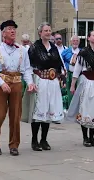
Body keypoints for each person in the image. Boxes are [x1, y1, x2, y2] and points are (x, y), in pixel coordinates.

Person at [0, 20, 35, 156]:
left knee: (15, 116)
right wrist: (2, 83)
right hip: (2, 83)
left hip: (16, 82)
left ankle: (14, 145)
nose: (12, 31)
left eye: (14, 29)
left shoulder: (22, 50)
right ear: (3, 33)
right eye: (9, 29)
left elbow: (26, 69)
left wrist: (30, 82)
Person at [24, 22, 66, 151]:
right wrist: (30, 82)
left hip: (52, 82)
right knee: (39, 111)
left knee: (49, 110)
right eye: (45, 30)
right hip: (40, 80)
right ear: (40, 33)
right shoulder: (34, 47)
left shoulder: (53, 48)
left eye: (49, 30)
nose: (48, 32)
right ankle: (34, 139)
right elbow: (29, 66)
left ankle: (44, 139)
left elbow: (59, 64)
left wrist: (62, 76)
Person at [67, 30, 94, 147]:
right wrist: (73, 84)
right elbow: (77, 69)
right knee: (86, 109)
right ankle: (85, 137)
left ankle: (92, 137)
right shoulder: (84, 53)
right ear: (88, 38)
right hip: (88, 82)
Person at [61, 35, 80, 112]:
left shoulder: (82, 51)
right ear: (71, 42)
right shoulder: (66, 51)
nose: (75, 42)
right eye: (74, 40)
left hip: (79, 74)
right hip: (69, 73)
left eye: (77, 41)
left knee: (79, 91)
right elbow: (61, 61)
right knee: (69, 91)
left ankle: (78, 109)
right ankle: (70, 108)